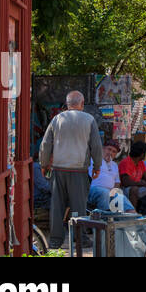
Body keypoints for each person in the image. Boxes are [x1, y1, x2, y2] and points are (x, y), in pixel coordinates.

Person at [38, 90, 105, 248]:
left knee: (57, 206)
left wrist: (44, 163)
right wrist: (97, 166)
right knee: (79, 206)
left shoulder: (57, 119)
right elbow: (96, 146)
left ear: (67, 104)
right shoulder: (89, 119)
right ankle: (80, 237)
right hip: (78, 170)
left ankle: (55, 241)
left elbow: (46, 144)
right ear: (82, 104)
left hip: (58, 169)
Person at [88, 141, 135, 212]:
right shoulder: (93, 160)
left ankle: (134, 217)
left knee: (121, 197)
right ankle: (106, 218)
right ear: (103, 149)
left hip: (110, 193)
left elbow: (117, 183)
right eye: (109, 149)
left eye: (114, 152)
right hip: (93, 190)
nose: (110, 153)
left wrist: (114, 192)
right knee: (105, 192)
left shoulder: (114, 165)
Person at [119, 140, 146, 214]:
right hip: (126, 189)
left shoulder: (140, 162)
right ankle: (133, 214)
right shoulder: (126, 162)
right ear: (142, 154)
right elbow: (126, 182)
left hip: (139, 186)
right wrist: (144, 184)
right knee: (134, 189)